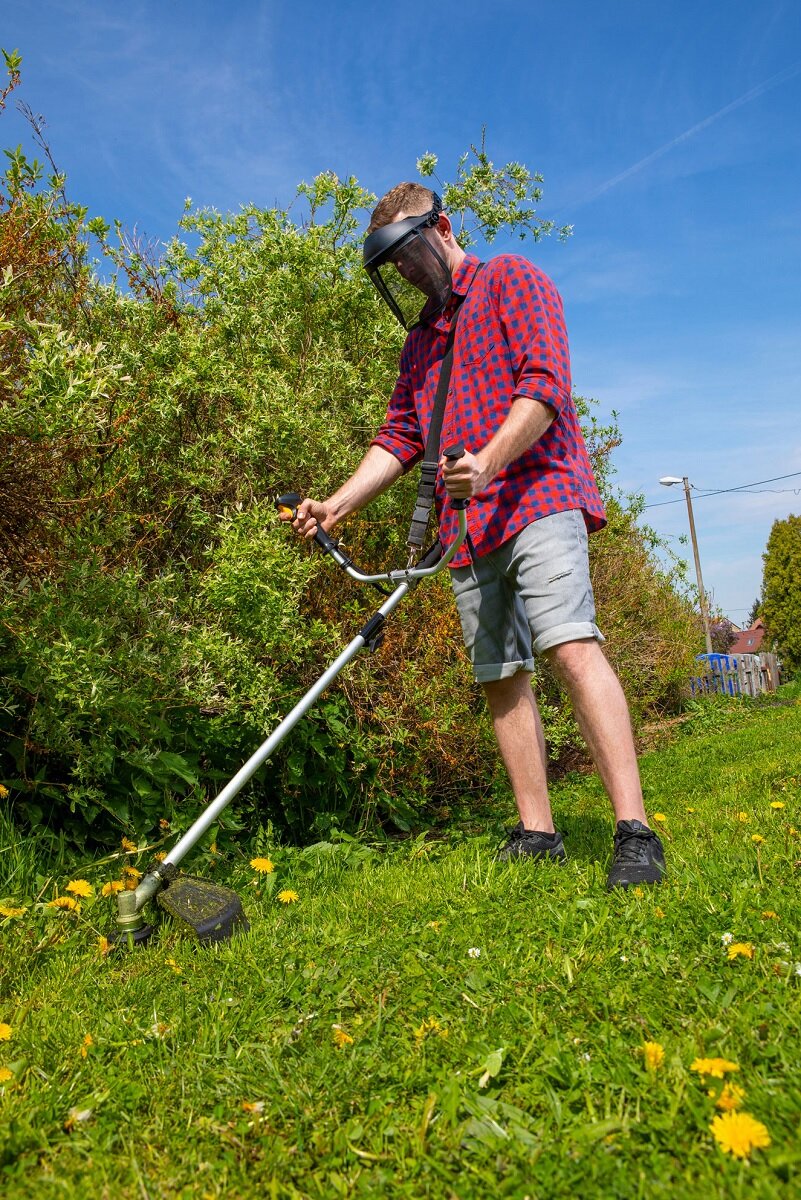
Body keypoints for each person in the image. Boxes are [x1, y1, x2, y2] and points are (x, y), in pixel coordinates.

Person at [282, 182, 665, 889]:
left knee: (569, 646)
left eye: (405, 251)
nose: (401, 270)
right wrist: (336, 505)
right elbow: (399, 437)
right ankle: (536, 833)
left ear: (442, 227)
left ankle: (634, 832)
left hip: (539, 492)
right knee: (498, 674)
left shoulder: (512, 280)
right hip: (470, 525)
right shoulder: (419, 343)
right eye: (389, 263)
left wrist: (487, 461)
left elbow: (545, 386)